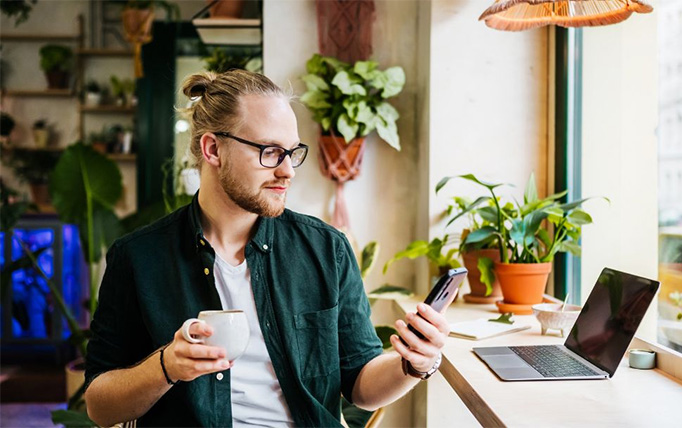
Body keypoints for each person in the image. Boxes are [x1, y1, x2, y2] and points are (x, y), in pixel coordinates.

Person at [83, 69, 451, 427]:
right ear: (213, 149)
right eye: (271, 152)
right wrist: (166, 366)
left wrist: (413, 363)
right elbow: (100, 407)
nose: (288, 170)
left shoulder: (326, 249)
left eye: (292, 152)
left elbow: (360, 386)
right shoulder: (138, 257)